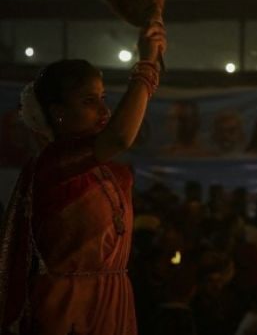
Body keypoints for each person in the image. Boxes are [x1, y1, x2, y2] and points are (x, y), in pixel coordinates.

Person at [0, 22, 167, 334]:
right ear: (58, 112)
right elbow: (119, 137)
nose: (104, 111)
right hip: (69, 307)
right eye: (89, 101)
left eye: (103, 98)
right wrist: (146, 65)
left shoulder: (109, 170)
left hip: (113, 297)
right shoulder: (53, 164)